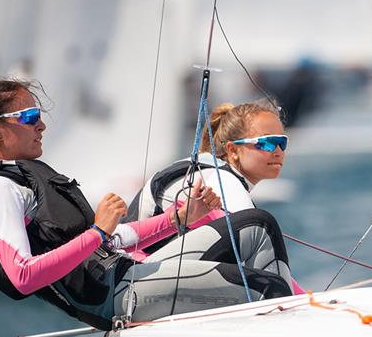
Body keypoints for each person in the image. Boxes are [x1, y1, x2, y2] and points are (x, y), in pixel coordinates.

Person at [0, 80, 294, 331]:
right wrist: (96, 231)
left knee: (255, 225)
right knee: (266, 289)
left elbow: (114, 240)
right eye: (29, 118)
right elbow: (23, 277)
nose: (41, 125)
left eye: (38, 115)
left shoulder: (24, 177)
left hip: (127, 273)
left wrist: (179, 218)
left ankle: (296, 312)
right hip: (117, 296)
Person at [126, 101, 304, 294]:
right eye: (267, 143)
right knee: (261, 227)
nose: (278, 152)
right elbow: (256, 251)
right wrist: (303, 300)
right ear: (233, 150)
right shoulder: (221, 179)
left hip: (139, 278)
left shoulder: (211, 172)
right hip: (137, 283)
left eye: (281, 143)